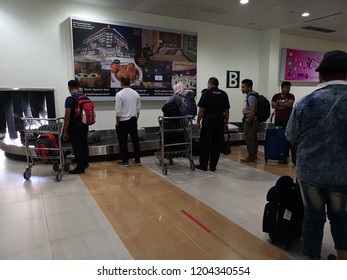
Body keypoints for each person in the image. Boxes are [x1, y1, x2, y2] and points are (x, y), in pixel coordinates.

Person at [285, 50, 347, 260]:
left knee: (312, 218)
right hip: (342, 174)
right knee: (341, 219)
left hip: (310, 174)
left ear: (321, 75)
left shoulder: (304, 102)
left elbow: (291, 136)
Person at [196, 77, 230, 171]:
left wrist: (198, 122)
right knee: (217, 143)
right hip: (219, 121)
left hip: (208, 121)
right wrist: (226, 122)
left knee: (204, 142)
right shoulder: (223, 94)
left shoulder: (206, 93)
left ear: (210, 84)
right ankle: (213, 166)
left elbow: (202, 109)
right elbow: (227, 110)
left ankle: (203, 165)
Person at [63, 80, 89, 174]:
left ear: (69, 88)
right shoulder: (85, 97)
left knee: (77, 146)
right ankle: (85, 163)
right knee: (84, 144)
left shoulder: (69, 99)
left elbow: (67, 117)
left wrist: (65, 131)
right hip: (84, 125)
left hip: (75, 127)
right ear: (78, 87)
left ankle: (80, 168)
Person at [115, 74, 141, 167]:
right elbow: (138, 109)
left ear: (121, 82)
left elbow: (118, 111)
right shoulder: (136, 94)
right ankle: (138, 160)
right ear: (130, 82)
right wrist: (135, 120)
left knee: (123, 142)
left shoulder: (119, 94)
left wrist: (117, 123)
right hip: (133, 120)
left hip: (123, 121)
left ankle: (125, 161)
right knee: (135, 141)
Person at [271, 81, 296, 164]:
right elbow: (273, 105)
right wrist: (283, 106)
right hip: (278, 119)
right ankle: (279, 153)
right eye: (287, 88)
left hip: (287, 119)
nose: (288, 90)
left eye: (289, 88)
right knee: (279, 136)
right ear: (282, 88)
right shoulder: (276, 96)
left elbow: (289, 105)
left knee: (287, 136)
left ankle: (287, 153)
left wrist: (278, 106)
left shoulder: (291, 96)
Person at [241, 79, 258, 163]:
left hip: (251, 120)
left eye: (243, 87)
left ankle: (251, 157)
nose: (242, 89)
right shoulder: (252, 95)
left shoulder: (251, 97)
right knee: (253, 137)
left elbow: (252, 110)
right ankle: (254, 155)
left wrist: (248, 120)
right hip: (253, 119)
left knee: (249, 138)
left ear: (249, 87)